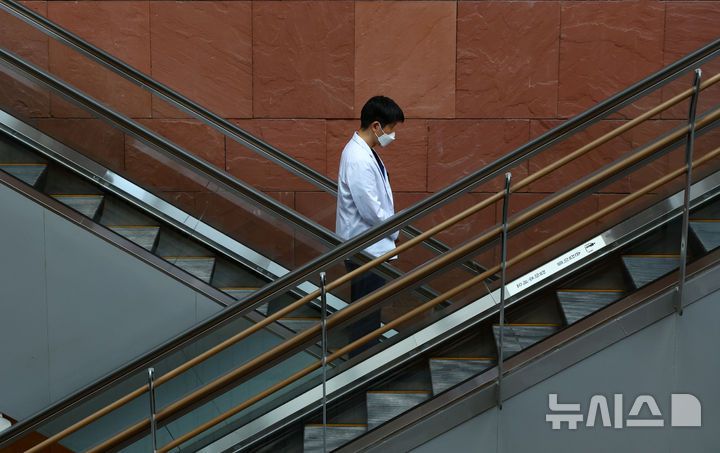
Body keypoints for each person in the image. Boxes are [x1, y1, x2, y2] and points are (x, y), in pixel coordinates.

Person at [336, 95, 404, 357]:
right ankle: (361, 369)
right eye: (391, 129)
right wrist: (395, 229)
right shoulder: (358, 158)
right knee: (365, 318)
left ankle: (363, 365)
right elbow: (371, 210)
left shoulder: (365, 153)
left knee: (367, 314)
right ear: (376, 126)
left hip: (368, 248)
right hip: (364, 250)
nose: (392, 135)